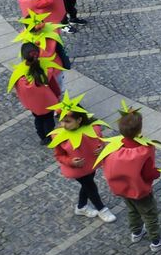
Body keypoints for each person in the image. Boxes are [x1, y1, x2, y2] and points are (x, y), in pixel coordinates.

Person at [95, 103, 161, 251]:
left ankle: (136, 232)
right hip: (140, 190)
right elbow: (148, 173)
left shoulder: (113, 145)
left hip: (122, 188)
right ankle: (156, 241)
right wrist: (157, 173)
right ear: (139, 129)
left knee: (132, 210)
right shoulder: (143, 150)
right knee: (150, 214)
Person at [47, 93, 116, 222]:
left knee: (87, 185)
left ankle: (81, 206)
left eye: (67, 121)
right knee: (90, 186)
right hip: (77, 169)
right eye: (61, 121)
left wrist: (102, 147)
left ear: (79, 120)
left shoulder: (93, 128)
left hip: (91, 164)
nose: (63, 125)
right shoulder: (58, 136)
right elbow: (59, 155)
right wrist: (70, 161)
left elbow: (100, 140)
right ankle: (102, 209)